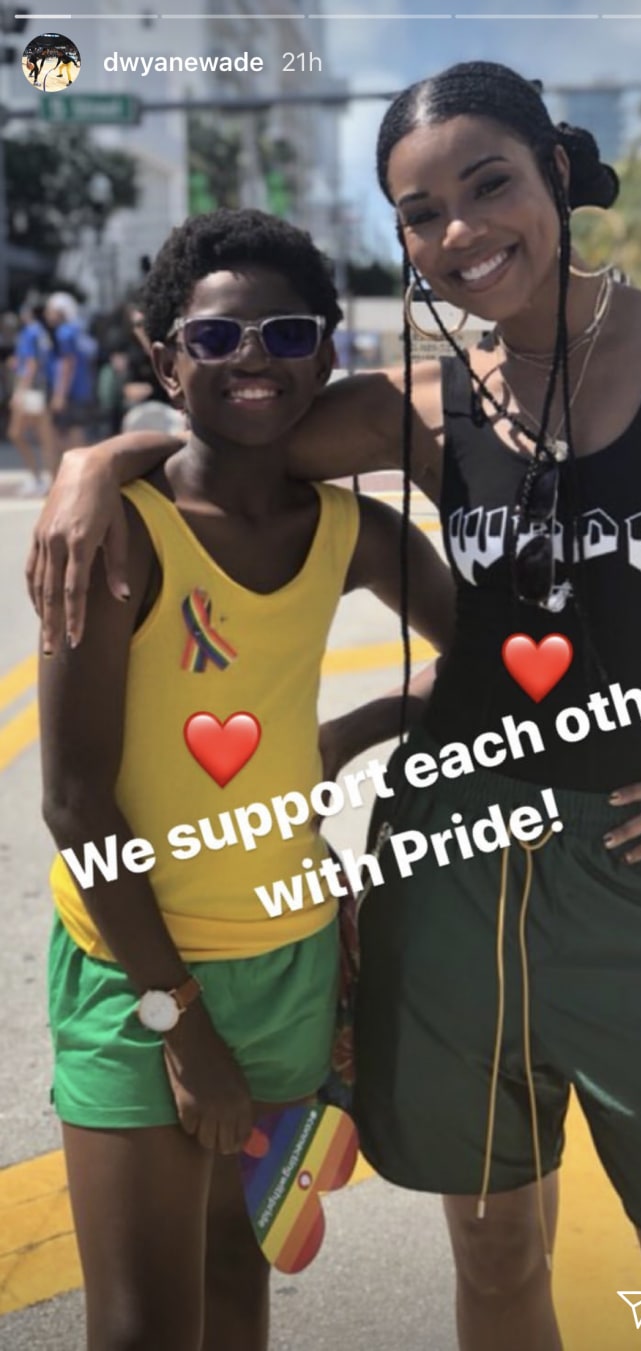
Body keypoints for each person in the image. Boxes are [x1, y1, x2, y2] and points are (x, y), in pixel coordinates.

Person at [27, 62, 641, 1351]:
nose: (459, 233)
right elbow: (229, 428)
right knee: (489, 1254)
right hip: (451, 866)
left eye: (488, 184)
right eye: (419, 215)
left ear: (556, 174)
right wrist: (95, 461)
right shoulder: (417, 401)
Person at [38, 207, 454, 1351]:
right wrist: (181, 1028)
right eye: (215, 341)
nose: (253, 360)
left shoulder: (350, 533)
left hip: (290, 958)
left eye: (285, 334)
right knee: (139, 1329)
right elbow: (73, 801)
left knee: (236, 1282)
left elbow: (490, 659)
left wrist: (358, 727)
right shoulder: (116, 532)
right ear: (165, 358)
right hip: (138, 979)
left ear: (326, 353)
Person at [8, 301, 56, 495]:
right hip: (41, 390)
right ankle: (48, 480)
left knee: (18, 433)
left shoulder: (29, 333)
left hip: (31, 391)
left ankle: (38, 479)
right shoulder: (42, 333)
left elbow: (31, 365)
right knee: (43, 437)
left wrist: (19, 392)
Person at [45, 292, 97, 461]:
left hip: (70, 393)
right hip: (81, 390)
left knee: (65, 439)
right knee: (77, 434)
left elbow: (67, 364)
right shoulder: (78, 330)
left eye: (50, 310)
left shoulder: (64, 333)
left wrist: (59, 395)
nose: (47, 314)